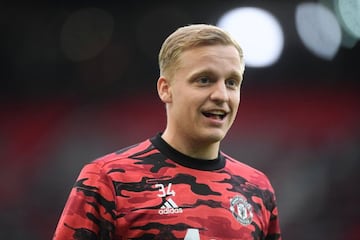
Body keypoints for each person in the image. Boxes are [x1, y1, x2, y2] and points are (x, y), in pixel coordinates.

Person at [53, 23, 282, 240]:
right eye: (204, 80)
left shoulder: (257, 188)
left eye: (232, 82)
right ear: (166, 89)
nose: (221, 95)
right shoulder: (107, 180)